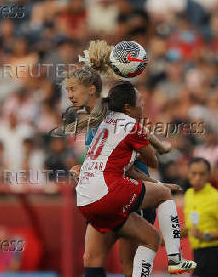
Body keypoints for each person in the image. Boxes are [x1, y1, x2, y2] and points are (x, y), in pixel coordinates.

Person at [65, 41, 170, 276]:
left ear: (91, 89)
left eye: (73, 89)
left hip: (127, 193)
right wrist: (83, 170)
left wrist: (159, 151)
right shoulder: (94, 121)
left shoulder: (109, 113)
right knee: (92, 258)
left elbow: (135, 138)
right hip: (106, 192)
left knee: (127, 263)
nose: (70, 96)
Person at [77, 82, 196, 276]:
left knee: (93, 259)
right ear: (127, 107)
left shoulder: (101, 125)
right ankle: (176, 259)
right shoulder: (132, 126)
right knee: (132, 261)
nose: (143, 104)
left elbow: (124, 167)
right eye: (140, 101)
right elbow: (153, 162)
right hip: (115, 193)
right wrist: (148, 150)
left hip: (86, 198)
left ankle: (176, 256)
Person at [181, 157, 218, 277]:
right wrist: (166, 240)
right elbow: (190, 228)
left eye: (202, 174)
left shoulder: (216, 198)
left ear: (209, 175)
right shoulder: (189, 195)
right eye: (194, 173)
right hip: (198, 253)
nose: (197, 178)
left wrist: (204, 235)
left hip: (215, 253)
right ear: (188, 174)